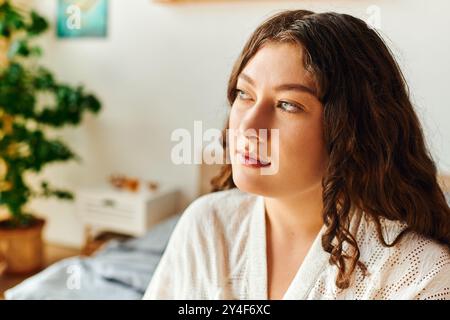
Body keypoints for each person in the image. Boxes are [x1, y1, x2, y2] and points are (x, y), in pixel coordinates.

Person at [143, 10, 450, 300]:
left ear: (351, 131)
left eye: (288, 105)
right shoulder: (207, 224)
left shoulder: (420, 275)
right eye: (244, 94)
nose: (249, 126)